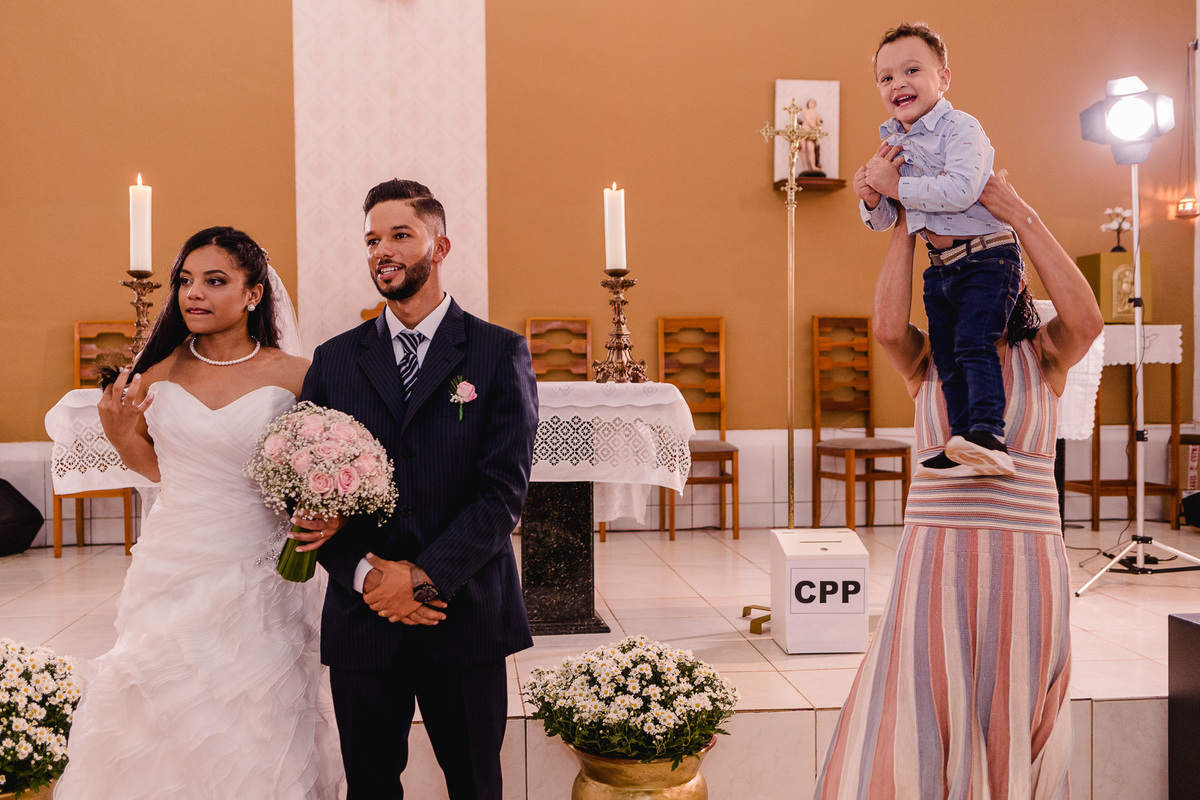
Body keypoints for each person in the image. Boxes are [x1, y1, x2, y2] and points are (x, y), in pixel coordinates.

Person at [815, 170, 1103, 799]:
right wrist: (905, 226)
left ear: (1011, 286)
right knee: (925, 700)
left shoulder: (1046, 357)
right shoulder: (929, 362)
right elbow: (889, 329)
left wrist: (1021, 216)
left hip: (1023, 565)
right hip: (938, 562)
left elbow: (1088, 318)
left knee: (1016, 701)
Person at [55, 227, 343, 799]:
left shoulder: (296, 374)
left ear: (254, 293)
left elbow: (322, 462)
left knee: (254, 714)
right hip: (173, 562)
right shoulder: (157, 372)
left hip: (259, 571)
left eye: (215, 281)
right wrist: (119, 436)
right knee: (157, 698)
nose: (194, 294)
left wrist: (325, 511)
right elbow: (159, 469)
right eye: (186, 281)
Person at [292, 179, 539, 800]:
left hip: (463, 608)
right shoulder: (335, 361)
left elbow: (502, 494)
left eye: (401, 234)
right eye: (373, 238)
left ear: (441, 244)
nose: (383, 249)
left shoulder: (496, 351)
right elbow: (308, 492)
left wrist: (421, 578)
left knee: (476, 783)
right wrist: (368, 578)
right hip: (364, 612)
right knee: (370, 787)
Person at [855, 22, 1021, 478]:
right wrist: (873, 198)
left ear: (943, 78)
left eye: (912, 70)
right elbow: (895, 220)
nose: (898, 83)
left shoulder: (961, 128)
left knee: (973, 342)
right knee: (945, 354)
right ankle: (963, 437)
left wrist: (898, 184)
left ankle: (990, 433)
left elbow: (963, 189)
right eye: (886, 78)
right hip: (942, 266)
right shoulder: (895, 141)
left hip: (987, 256)